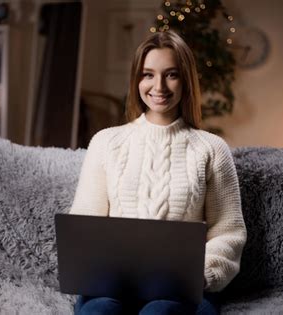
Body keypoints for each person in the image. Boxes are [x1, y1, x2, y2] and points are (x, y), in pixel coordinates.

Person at [69, 30, 247, 315]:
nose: (159, 86)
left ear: (186, 80)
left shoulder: (212, 149)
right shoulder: (106, 142)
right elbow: (83, 223)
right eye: (148, 74)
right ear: (136, 80)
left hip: (183, 290)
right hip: (113, 284)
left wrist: (202, 276)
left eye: (171, 74)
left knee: (159, 313)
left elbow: (228, 233)